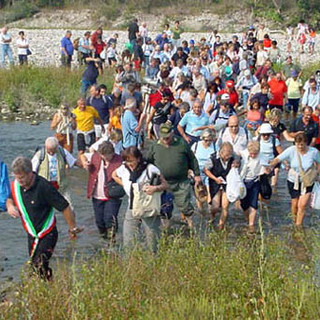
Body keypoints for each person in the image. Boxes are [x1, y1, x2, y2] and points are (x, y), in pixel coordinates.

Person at [6, 157, 82, 280]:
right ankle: (49, 288)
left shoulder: (44, 187)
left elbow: (65, 207)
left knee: (38, 264)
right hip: (32, 234)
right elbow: (10, 198)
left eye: (22, 177)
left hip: (48, 233)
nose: (19, 181)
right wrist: (10, 206)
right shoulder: (16, 185)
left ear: (30, 172)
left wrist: (72, 228)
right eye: (16, 177)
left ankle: (46, 290)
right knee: (37, 265)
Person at [112, 146, 168, 252]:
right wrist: (125, 185)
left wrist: (155, 188)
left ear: (138, 158)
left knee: (152, 241)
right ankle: (130, 263)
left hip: (148, 207)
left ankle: (154, 262)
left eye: (131, 161)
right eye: (126, 161)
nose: (129, 164)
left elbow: (165, 184)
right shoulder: (123, 168)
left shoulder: (150, 168)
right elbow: (114, 175)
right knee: (128, 240)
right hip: (132, 207)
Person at [147, 123, 201, 227]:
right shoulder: (155, 146)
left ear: (172, 133)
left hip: (181, 181)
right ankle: (165, 229)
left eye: (167, 137)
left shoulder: (181, 143)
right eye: (163, 137)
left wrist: (197, 174)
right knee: (165, 208)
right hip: (163, 183)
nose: (165, 139)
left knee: (185, 205)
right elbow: (148, 162)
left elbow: (192, 159)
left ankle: (191, 226)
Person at [270, 133, 320, 226]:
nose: (300, 146)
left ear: (306, 143)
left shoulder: (313, 152)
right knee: (295, 203)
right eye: (298, 144)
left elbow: (319, 162)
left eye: (302, 144)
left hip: (307, 181)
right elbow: (278, 159)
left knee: (302, 205)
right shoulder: (291, 150)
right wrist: (270, 166)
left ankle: (298, 226)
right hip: (293, 180)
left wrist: (317, 173)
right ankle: (293, 221)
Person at [81, 141, 122, 241]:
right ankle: (104, 239)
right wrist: (84, 163)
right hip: (97, 196)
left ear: (112, 153)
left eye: (107, 156)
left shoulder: (120, 161)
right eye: (102, 156)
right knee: (99, 221)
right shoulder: (95, 156)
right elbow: (83, 155)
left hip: (112, 195)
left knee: (109, 219)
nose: (104, 158)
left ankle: (112, 241)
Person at [204, 142, 236, 229]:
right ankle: (212, 217)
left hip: (227, 184)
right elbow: (206, 170)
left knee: (225, 206)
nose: (227, 158)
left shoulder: (233, 158)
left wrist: (236, 164)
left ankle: (221, 225)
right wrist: (215, 179)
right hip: (215, 183)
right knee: (215, 206)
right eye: (225, 156)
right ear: (221, 152)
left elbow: (238, 163)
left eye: (229, 156)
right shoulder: (212, 158)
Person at [239, 141, 270, 232]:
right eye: (251, 154)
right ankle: (246, 218)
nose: (252, 156)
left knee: (253, 204)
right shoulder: (242, 154)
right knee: (244, 204)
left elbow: (266, 167)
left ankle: (251, 225)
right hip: (243, 182)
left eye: (255, 154)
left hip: (254, 182)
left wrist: (267, 170)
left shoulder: (263, 157)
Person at [191, 128, 217, 201]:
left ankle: (209, 206)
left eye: (210, 140)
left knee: (209, 189)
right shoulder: (196, 145)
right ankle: (200, 209)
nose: (208, 142)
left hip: (210, 170)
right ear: (202, 138)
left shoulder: (215, 146)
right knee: (199, 192)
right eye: (206, 140)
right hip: (198, 170)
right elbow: (190, 158)